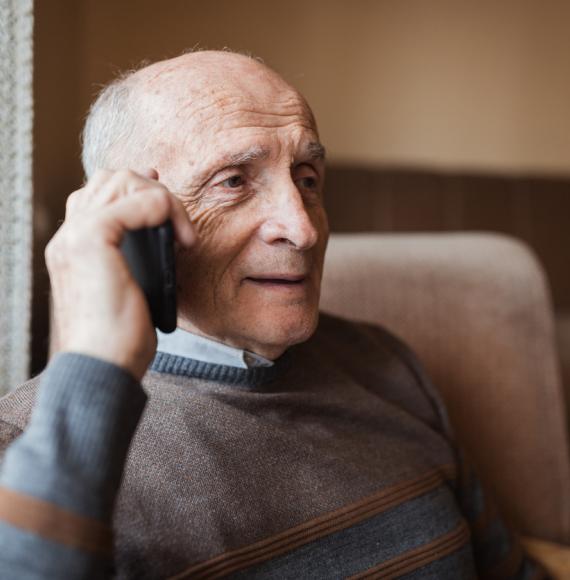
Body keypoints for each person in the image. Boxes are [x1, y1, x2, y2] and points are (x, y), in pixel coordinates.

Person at [0, 50, 546, 579]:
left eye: (307, 177)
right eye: (234, 181)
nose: (303, 228)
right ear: (135, 222)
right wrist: (96, 368)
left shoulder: (382, 360)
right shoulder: (21, 447)